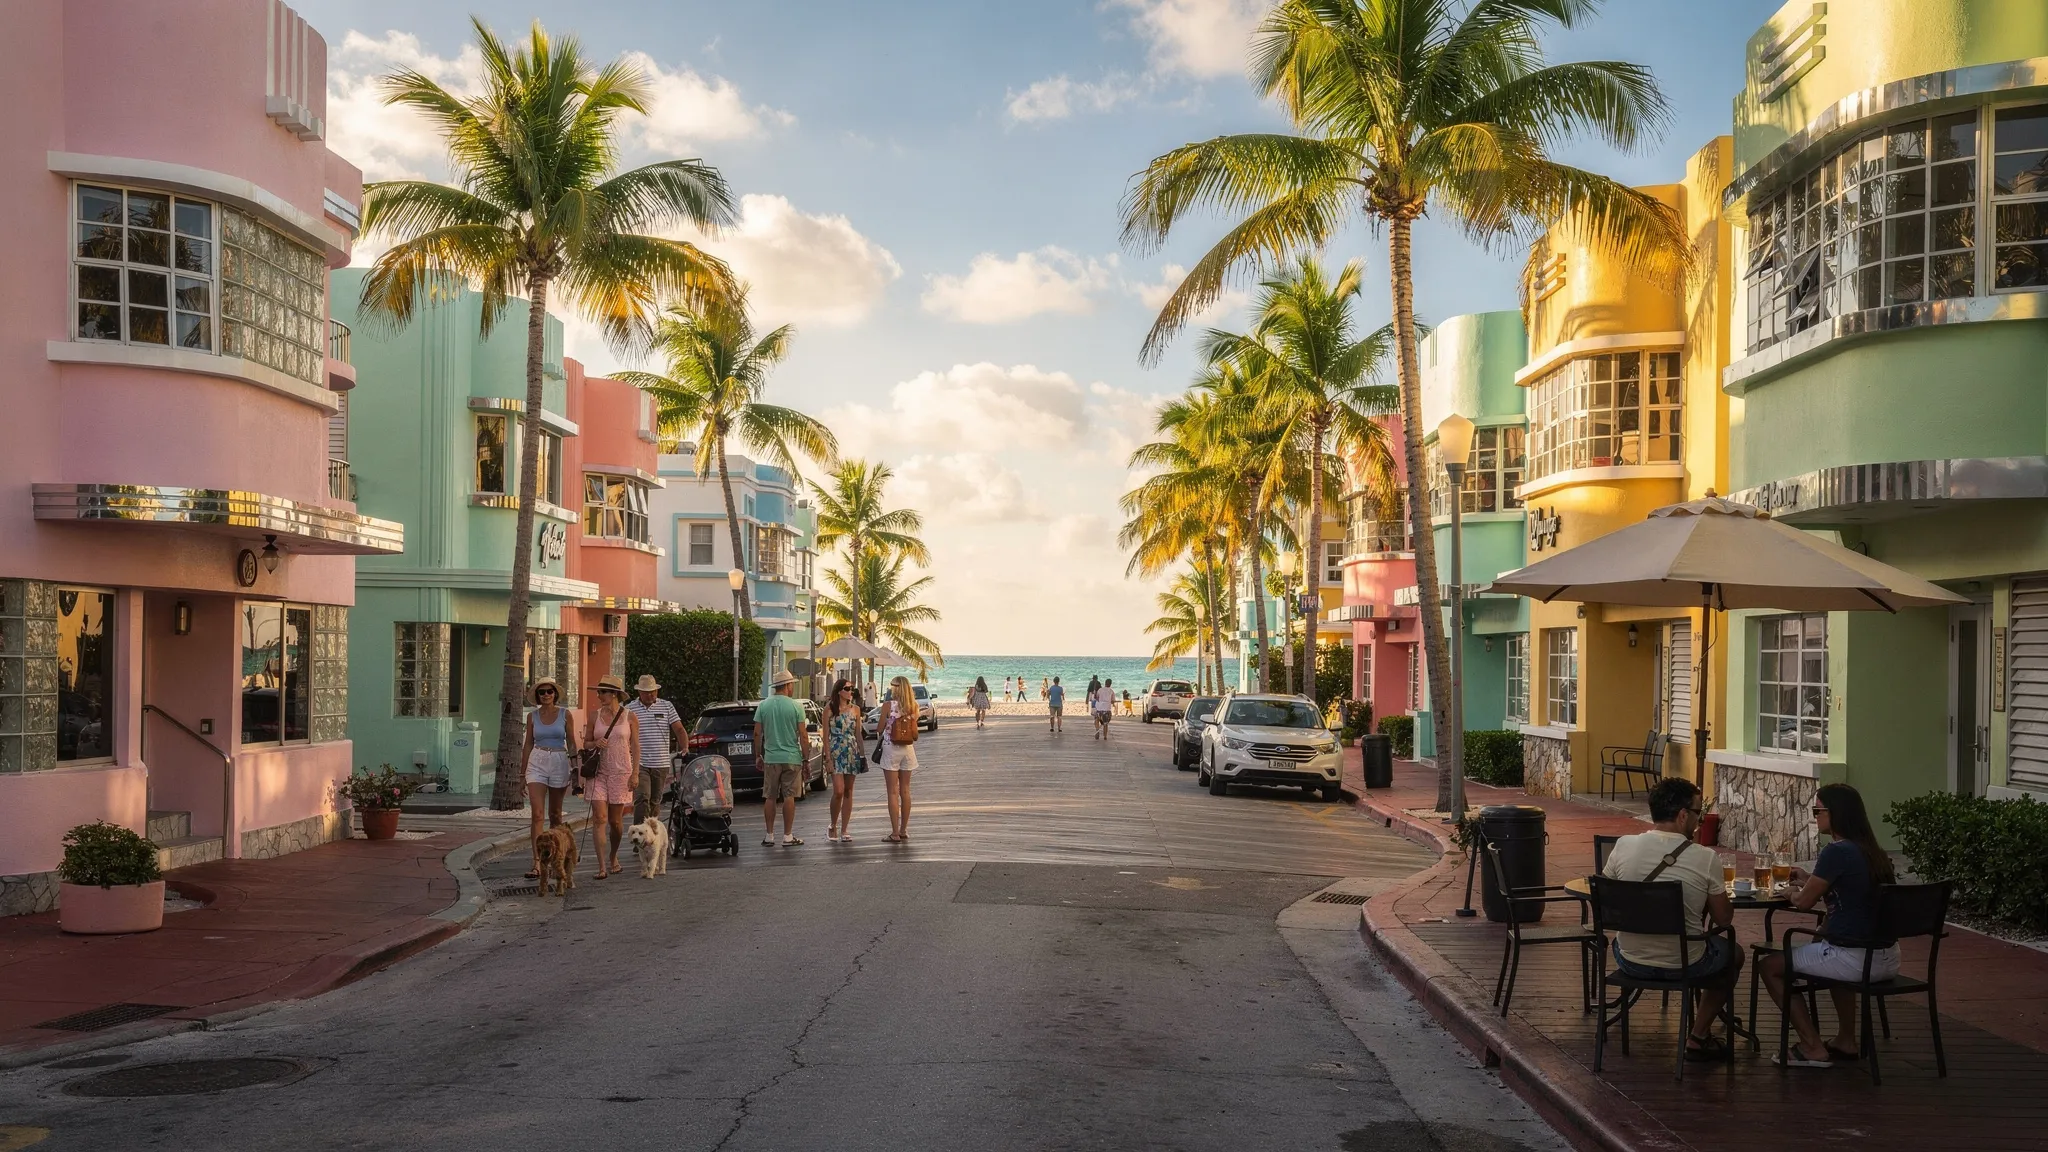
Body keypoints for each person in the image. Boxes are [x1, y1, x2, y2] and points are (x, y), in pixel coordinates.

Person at [1758, 782, 1900, 1068]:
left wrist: (1789, 892)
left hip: (1855, 958)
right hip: (1886, 956)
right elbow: (1848, 890)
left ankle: (1811, 1046)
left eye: (1817, 810)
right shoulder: (1873, 851)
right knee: (1829, 948)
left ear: (1835, 813)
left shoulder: (1837, 851)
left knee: (1769, 966)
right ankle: (1845, 1040)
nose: (1814, 816)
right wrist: (1810, 878)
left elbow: (1803, 903)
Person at [1600, 777, 1742, 1062]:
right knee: (1733, 954)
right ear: (1682, 815)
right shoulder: (1705, 857)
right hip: (1684, 964)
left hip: (1629, 959)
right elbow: (1723, 919)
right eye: (1698, 813)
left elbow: (1609, 894)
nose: (1699, 821)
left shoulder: (1623, 845)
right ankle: (1699, 1036)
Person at [582, 678, 641, 880]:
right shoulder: (594, 716)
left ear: (613, 694)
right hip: (598, 772)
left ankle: (613, 857)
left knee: (615, 822)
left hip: (621, 772)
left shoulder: (630, 717)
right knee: (600, 818)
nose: (598, 696)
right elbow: (586, 743)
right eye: (598, 692)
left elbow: (635, 747)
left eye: (602, 692)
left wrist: (635, 773)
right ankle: (601, 867)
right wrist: (596, 742)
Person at [521, 678, 579, 880]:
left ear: (555, 694)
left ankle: (557, 855)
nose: (546, 695)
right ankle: (537, 863)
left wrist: (576, 767)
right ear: (537, 696)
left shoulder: (565, 714)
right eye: (542, 692)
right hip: (537, 759)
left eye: (549, 691)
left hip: (558, 760)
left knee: (555, 814)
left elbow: (571, 741)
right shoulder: (532, 717)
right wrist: (522, 774)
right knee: (537, 814)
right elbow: (528, 744)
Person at [753, 670, 812, 847]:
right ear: (787, 686)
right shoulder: (796, 706)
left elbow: (757, 733)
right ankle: (787, 836)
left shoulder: (763, 706)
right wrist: (806, 758)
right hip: (792, 757)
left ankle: (769, 835)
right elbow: (803, 735)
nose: (793, 687)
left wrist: (758, 755)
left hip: (771, 757)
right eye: (792, 684)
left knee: (770, 796)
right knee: (789, 796)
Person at [625, 674, 684, 825]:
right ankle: (640, 834)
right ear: (640, 693)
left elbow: (678, 729)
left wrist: (685, 747)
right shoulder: (629, 709)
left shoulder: (666, 706)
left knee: (655, 800)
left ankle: (652, 834)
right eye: (647, 691)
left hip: (661, 762)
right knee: (642, 797)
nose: (650, 694)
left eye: (653, 691)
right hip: (640, 762)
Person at [877, 675, 919, 842]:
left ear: (895, 688)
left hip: (890, 748)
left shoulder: (888, 706)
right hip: (908, 749)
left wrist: (887, 722)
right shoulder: (913, 707)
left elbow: (879, 728)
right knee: (905, 791)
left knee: (892, 792)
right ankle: (904, 830)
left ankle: (894, 833)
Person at [825, 678, 864, 843]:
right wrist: (827, 758)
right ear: (839, 690)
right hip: (836, 752)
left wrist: (862, 755)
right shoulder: (829, 709)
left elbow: (858, 735)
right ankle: (833, 824)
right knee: (838, 791)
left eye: (852, 689)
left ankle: (845, 829)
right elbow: (825, 737)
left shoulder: (855, 709)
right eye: (848, 688)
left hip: (851, 752)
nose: (851, 692)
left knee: (848, 791)